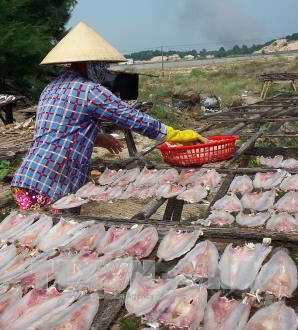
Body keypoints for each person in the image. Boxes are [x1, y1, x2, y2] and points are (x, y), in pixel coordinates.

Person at [11, 22, 205, 211]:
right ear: (91, 64)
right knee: (45, 239)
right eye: (102, 65)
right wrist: (174, 135)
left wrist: (96, 137)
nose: (104, 70)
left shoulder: (50, 88)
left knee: (42, 240)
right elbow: (132, 118)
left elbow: (59, 130)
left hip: (28, 178)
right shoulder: (90, 90)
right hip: (50, 185)